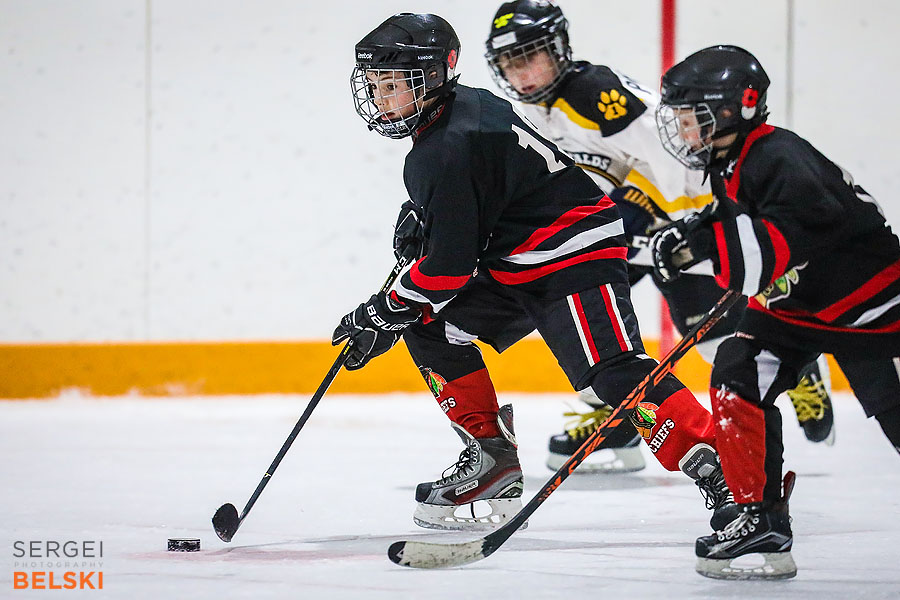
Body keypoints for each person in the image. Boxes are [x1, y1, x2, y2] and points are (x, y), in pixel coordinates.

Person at [336, 12, 736, 533]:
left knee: (612, 372)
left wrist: (380, 313)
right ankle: (491, 458)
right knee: (431, 326)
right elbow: (485, 197)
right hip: (517, 259)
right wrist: (429, 222)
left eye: (395, 85)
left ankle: (724, 471)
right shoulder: (466, 107)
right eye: (377, 85)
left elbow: (448, 271)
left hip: (573, 253)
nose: (383, 99)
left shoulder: (442, 150)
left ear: (434, 76)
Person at [483, 0, 835, 475]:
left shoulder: (593, 92)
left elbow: (674, 149)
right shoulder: (531, 110)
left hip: (673, 218)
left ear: (559, 48)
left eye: (530, 56)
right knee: (584, 326)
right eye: (509, 62)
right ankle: (623, 420)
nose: (521, 72)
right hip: (616, 231)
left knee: (710, 335)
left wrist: (692, 228)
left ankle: (800, 368)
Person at [650, 44, 900, 580]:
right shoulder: (735, 161)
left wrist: (698, 251)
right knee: (738, 367)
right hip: (806, 306)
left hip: (873, 306)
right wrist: (689, 236)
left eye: (692, 118)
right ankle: (759, 518)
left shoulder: (777, 155)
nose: (684, 132)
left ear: (730, 109)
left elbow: (763, 260)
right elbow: (734, 222)